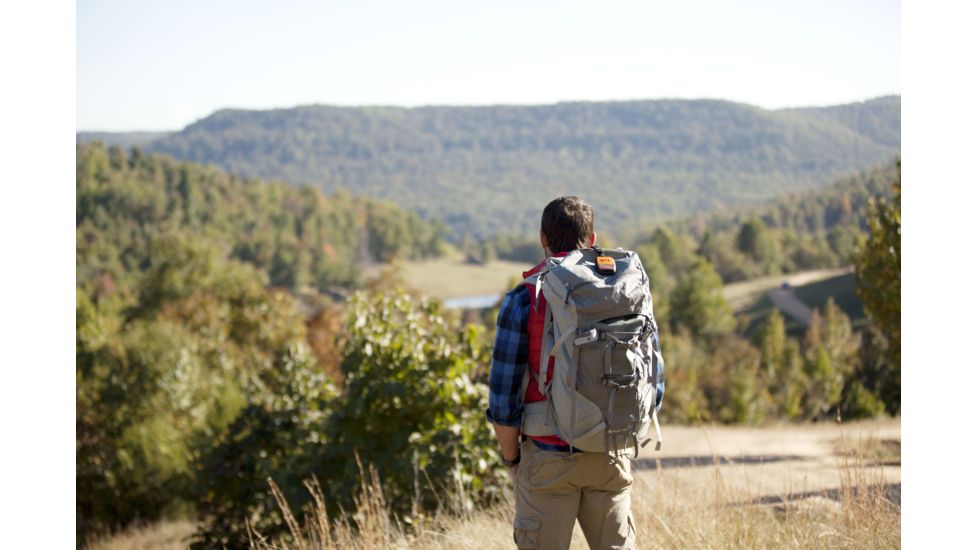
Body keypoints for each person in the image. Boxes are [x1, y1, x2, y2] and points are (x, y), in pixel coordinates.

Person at [486, 196, 636, 549]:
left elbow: (503, 399)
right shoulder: (624, 294)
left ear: (543, 238)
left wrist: (512, 459)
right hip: (610, 454)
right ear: (593, 238)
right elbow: (652, 382)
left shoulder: (524, 299)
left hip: (548, 455)